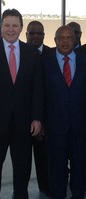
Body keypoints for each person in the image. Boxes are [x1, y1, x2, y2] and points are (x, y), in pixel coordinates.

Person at [0, 9, 43, 199]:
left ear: (21, 28)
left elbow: (37, 88)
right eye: (7, 25)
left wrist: (37, 117)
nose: (10, 29)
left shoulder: (32, 53)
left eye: (14, 25)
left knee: (23, 168)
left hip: (24, 122)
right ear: (1, 27)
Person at [42, 25, 86, 199]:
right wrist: (40, 120)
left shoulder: (84, 60)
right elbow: (40, 94)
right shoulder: (44, 62)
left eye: (69, 37)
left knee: (80, 168)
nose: (65, 41)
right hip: (54, 128)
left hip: (80, 126)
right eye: (61, 37)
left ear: (75, 40)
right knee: (56, 169)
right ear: (55, 40)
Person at [26, 20, 51, 196]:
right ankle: (21, 190)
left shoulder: (52, 54)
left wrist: (42, 119)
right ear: (25, 34)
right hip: (21, 117)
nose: (35, 36)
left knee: (44, 158)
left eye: (39, 33)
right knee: (22, 159)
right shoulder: (18, 52)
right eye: (31, 33)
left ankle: (45, 188)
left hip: (45, 117)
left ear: (44, 35)